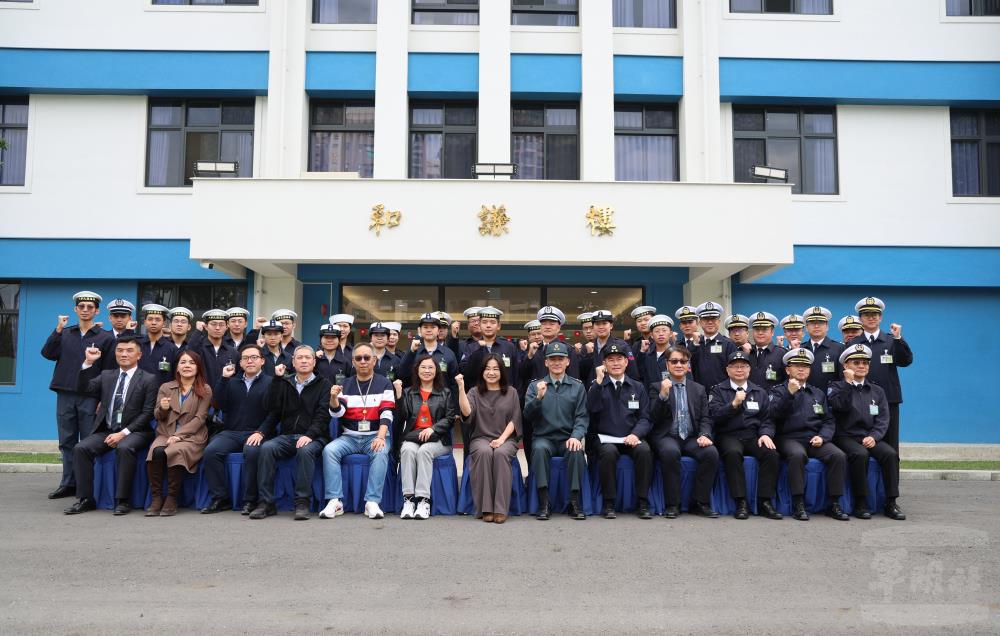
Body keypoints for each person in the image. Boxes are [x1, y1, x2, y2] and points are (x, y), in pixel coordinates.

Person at [63, 335, 158, 515]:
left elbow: (148, 413)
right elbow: (84, 388)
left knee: (124, 448)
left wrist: (123, 433)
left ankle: (122, 500)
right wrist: (87, 364)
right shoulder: (107, 375)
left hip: (136, 431)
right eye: (120, 350)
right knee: (80, 448)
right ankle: (86, 499)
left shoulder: (148, 379)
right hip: (107, 429)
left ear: (139, 355)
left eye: (129, 351)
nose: (124, 354)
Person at [41, 290, 115, 500]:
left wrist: (103, 398)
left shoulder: (105, 337)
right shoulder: (66, 333)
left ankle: (88, 485)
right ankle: (68, 483)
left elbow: (109, 371)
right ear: (75, 309)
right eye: (81, 307)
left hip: (90, 396)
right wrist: (57, 329)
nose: (85, 310)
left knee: (88, 441)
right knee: (67, 441)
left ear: (97, 311)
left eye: (89, 307)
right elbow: (47, 353)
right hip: (65, 393)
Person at [764, 348, 848, 521]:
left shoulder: (817, 393)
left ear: (810, 370)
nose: (801, 369)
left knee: (838, 455)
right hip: (788, 437)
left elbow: (828, 420)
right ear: (788, 370)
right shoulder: (778, 391)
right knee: (797, 455)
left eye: (805, 366)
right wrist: (790, 393)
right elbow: (773, 414)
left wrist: (823, 437)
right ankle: (798, 502)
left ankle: (834, 503)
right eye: (796, 365)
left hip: (814, 438)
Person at [251, 345, 334, 521]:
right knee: (266, 448)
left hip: (316, 437)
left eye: (308, 357)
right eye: (300, 358)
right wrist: (277, 380)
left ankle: (302, 501)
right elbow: (271, 409)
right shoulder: (285, 382)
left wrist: (309, 435)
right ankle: (266, 502)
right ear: (293, 362)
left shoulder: (324, 384)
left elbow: (323, 416)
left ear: (314, 361)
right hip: (288, 436)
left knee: (305, 450)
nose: (304, 361)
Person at [828, 344, 905, 520]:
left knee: (890, 454)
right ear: (846, 366)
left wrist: (874, 436)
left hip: (870, 436)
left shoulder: (877, 391)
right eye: (856, 362)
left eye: (865, 362)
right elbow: (841, 406)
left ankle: (891, 502)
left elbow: (883, 418)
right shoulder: (836, 387)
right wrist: (847, 384)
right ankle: (861, 502)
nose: (861, 366)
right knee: (860, 454)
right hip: (846, 436)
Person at [321, 343, 396, 520]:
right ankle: (335, 500)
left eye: (367, 358)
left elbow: (387, 413)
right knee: (329, 450)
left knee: (381, 450)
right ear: (353, 362)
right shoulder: (345, 384)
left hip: (374, 435)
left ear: (374, 360)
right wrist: (333, 398)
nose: (363, 361)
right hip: (349, 437)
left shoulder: (385, 383)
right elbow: (337, 413)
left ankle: (372, 501)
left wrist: (380, 437)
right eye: (358, 358)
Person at [201, 342, 276, 514]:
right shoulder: (231, 382)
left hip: (257, 432)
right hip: (231, 432)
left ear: (262, 361)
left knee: (251, 451)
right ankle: (220, 498)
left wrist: (261, 432)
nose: (250, 361)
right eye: (245, 358)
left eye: (254, 357)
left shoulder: (271, 383)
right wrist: (224, 379)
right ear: (240, 363)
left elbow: (274, 413)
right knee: (211, 451)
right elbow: (218, 403)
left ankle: (250, 500)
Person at [708, 351, 782, 520]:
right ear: (728, 370)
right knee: (733, 454)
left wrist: (765, 434)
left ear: (749, 370)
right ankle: (740, 501)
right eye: (735, 366)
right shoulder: (718, 390)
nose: (739, 370)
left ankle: (765, 501)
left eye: (743, 366)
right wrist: (733, 404)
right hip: (729, 435)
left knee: (771, 454)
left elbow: (768, 418)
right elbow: (715, 416)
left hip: (753, 435)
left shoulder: (759, 391)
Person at [648, 345, 720, 519]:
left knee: (711, 453)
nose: (679, 365)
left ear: (689, 365)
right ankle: (673, 504)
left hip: (691, 436)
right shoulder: (656, 386)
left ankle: (700, 502)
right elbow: (652, 417)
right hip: (667, 436)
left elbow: (705, 418)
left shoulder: (699, 389)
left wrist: (704, 434)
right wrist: (663, 396)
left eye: (683, 361)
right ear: (667, 365)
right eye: (674, 361)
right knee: (671, 452)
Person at [586, 342, 653, 519]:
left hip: (631, 437)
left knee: (645, 451)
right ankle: (609, 502)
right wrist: (599, 383)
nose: (615, 363)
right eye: (611, 360)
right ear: (604, 364)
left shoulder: (637, 387)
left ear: (626, 362)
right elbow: (591, 409)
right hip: (606, 438)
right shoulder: (597, 385)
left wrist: (635, 434)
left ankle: (643, 501)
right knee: (608, 453)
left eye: (619, 359)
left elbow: (645, 418)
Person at [522, 342, 588, 521]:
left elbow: (582, 417)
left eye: (561, 359)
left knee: (576, 451)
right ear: (546, 362)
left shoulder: (577, 386)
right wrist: (538, 398)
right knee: (540, 450)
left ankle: (574, 502)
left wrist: (576, 436)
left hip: (568, 437)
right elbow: (528, 415)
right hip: (544, 437)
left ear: (567, 361)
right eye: (552, 359)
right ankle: (544, 502)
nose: (557, 363)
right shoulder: (535, 386)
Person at [457, 354, 523, 523]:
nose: (491, 372)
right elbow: (467, 414)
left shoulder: (511, 392)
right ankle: (485, 508)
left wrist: (501, 440)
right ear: (482, 372)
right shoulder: (474, 392)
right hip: (480, 438)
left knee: (500, 454)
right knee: (485, 452)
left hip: (506, 439)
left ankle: (501, 509)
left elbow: (514, 420)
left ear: (501, 371)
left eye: (495, 369)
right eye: (487, 369)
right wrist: (461, 388)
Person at [146, 350, 212, 517]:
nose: (187, 366)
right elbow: (158, 416)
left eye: (191, 362)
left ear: (198, 367)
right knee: (156, 451)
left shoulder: (205, 389)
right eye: (183, 362)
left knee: (175, 450)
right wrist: (163, 408)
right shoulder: (166, 387)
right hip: (166, 433)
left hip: (192, 436)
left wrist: (179, 436)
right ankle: (156, 497)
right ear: (177, 367)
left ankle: (172, 497)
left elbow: (200, 418)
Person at [392, 354, 455, 520]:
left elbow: (450, 419)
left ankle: (423, 500)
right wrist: (399, 396)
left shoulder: (445, 393)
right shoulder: (408, 392)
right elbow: (402, 416)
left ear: (436, 371)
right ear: (417, 370)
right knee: (406, 450)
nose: (427, 371)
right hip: (413, 437)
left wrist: (433, 429)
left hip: (439, 440)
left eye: (431, 367)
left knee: (424, 451)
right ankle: (408, 500)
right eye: (423, 367)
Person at [847, 296, 913, 453]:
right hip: (859, 400)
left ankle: (890, 478)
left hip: (888, 400)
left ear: (880, 317)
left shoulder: (892, 341)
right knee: (861, 444)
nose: (871, 318)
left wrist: (898, 338)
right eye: (866, 314)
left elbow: (905, 361)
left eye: (874, 314)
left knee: (890, 445)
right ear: (860, 318)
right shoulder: (853, 344)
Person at [461, 306, 518, 393]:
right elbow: (465, 373)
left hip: (504, 396)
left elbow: (517, 376)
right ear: (479, 325)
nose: (488, 325)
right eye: (484, 322)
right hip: (479, 397)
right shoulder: (471, 347)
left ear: (498, 326)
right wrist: (478, 350)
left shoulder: (509, 347)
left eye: (492, 322)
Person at [690, 301, 736, 389]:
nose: (710, 322)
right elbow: (688, 365)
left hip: (722, 394)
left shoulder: (728, 344)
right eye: (706, 319)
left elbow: (734, 371)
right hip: (699, 393)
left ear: (719, 321)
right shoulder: (695, 344)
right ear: (700, 322)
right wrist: (694, 345)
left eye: (713, 319)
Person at [801, 305, 843, 394]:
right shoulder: (801, 349)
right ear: (807, 327)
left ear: (827, 326)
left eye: (820, 322)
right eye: (812, 323)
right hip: (804, 400)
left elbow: (842, 379)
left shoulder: (839, 349)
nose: (816, 326)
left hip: (830, 401)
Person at [193, 308, 238, 390]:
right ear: (206, 327)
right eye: (213, 324)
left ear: (226, 327)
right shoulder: (198, 348)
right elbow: (188, 352)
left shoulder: (233, 352)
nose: (217, 328)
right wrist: (198, 331)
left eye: (221, 325)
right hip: (201, 395)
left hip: (225, 397)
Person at [136, 303, 178, 387]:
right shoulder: (137, 345)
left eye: (158, 319)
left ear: (164, 323)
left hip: (161, 396)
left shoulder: (172, 348)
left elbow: (175, 377)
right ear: (144, 322)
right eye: (150, 319)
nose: (153, 323)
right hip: (137, 394)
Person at [748, 311, 786, 392]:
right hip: (749, 400)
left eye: (764, 329)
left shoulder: (782, 353)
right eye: (757, 329)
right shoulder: (747, 352)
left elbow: (787, 382)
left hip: (773, 402)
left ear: (772, 332)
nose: (760, 333)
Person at [640, 314, 678, 393]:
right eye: (657, 331)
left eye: (664, 330)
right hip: (651, 399)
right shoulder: (648, 355)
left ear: (671, 333)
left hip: (672, 398)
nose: (661, 334)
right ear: (652, 335)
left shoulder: (678, 355)